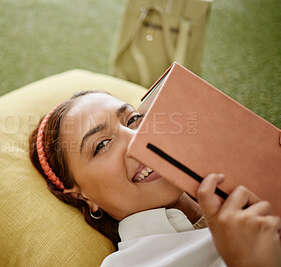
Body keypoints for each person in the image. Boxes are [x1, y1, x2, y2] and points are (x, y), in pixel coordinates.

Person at [29, 90, 281, 266]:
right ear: (83, 196)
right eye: (102, 144)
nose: (137, 139)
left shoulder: (245, 178)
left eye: (133, 119)